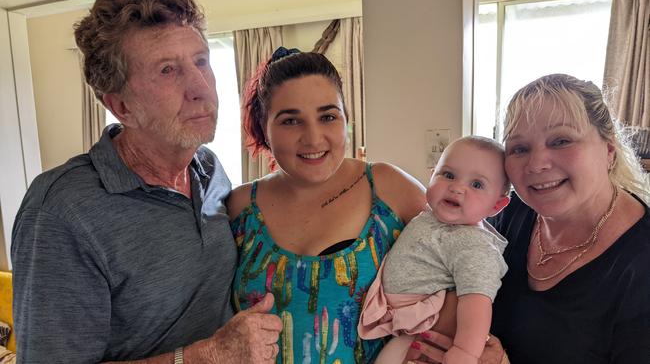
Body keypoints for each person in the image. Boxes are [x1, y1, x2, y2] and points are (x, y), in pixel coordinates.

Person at [11, 0, 281, 363]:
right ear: (121, 106)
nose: (201, 87)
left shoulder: (209, 168)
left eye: (201, 61)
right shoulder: (60, 212)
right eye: (167, 70)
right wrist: (212, 354)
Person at [406, 74, 650, 364]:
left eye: (561, 141)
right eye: (520, 148)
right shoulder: (508, 213)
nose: (536, 164)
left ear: (608, 150)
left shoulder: (640, 265)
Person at [227, 47, 427, 363]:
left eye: (328, 116)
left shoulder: (388, 189)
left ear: (346, 119)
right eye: (291, 120)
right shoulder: (240, 207)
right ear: (263, 128)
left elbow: (462, 258)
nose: (313, 138)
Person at [358, 136, 510, 364]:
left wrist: (465, 353)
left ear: (496, 205)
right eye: (448, 175)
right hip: (409, 324)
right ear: (431, 176)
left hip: (427, 331)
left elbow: (477, 302)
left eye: (477, 184)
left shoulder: (474, 245)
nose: (457, 188)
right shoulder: (432, 216)